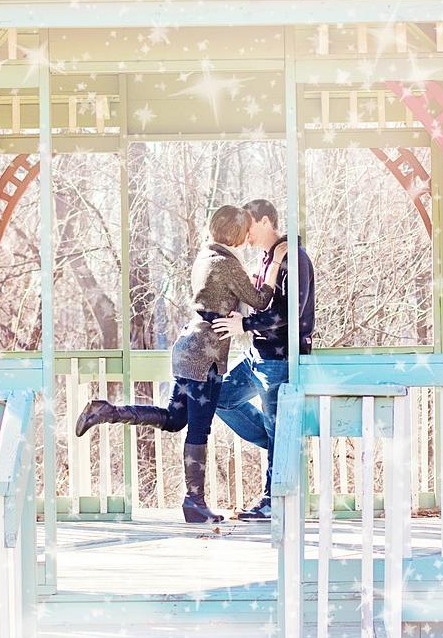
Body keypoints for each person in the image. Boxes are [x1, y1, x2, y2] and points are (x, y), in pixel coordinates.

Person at [73, 205, 287, 523]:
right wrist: (277, 261)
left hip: (187, 347)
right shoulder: (225, 263)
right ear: (236, 233)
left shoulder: (205, 256)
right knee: (199, 429)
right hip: (205, 355)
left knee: (175, 419)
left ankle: (107, 411)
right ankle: (194, 502)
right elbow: (260, 301)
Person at [211, 198, 316, 521]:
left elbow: (288, 314)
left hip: (279, 359)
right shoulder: (265, 260)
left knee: (277, 425)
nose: (245, 232)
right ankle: (281, 445)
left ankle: (273, 501)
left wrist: (244, 324)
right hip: (255, 355)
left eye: (249, 224)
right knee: (220, 398)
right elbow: (260, 303)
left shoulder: (294, 260)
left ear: (267, 221)